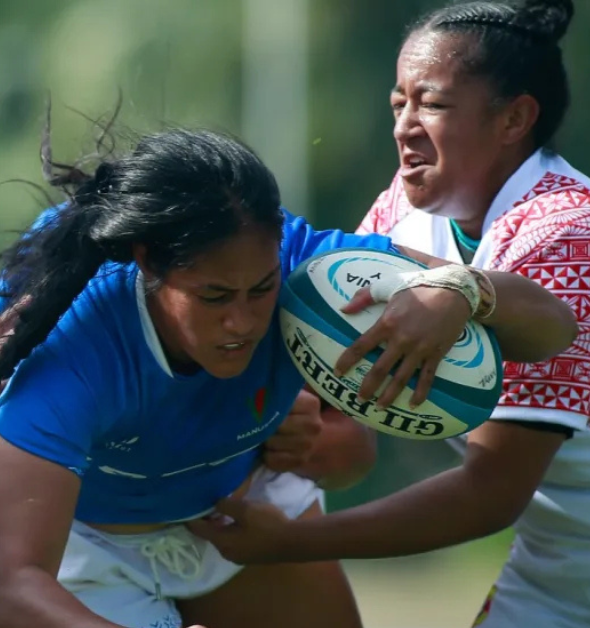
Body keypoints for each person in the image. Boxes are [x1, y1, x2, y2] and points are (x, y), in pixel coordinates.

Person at [0, 127, 577, 628]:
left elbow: (554, 329)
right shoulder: (78, 344)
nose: (242, 321)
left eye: (259, 289)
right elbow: (10, 584)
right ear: (149, 264)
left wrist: (465, 290)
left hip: (232, 513)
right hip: (88, 540)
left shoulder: (315, 272)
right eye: (213, 297)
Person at [186, 2, 590, 627]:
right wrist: (285, 428)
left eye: (432, 103)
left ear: (515, 117)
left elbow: (491, 492)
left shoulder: (567, 236)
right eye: (398, 102)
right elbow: (346, 433)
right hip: (557, 569)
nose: (404, 125)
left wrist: (292, 542)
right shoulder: (401, 217)